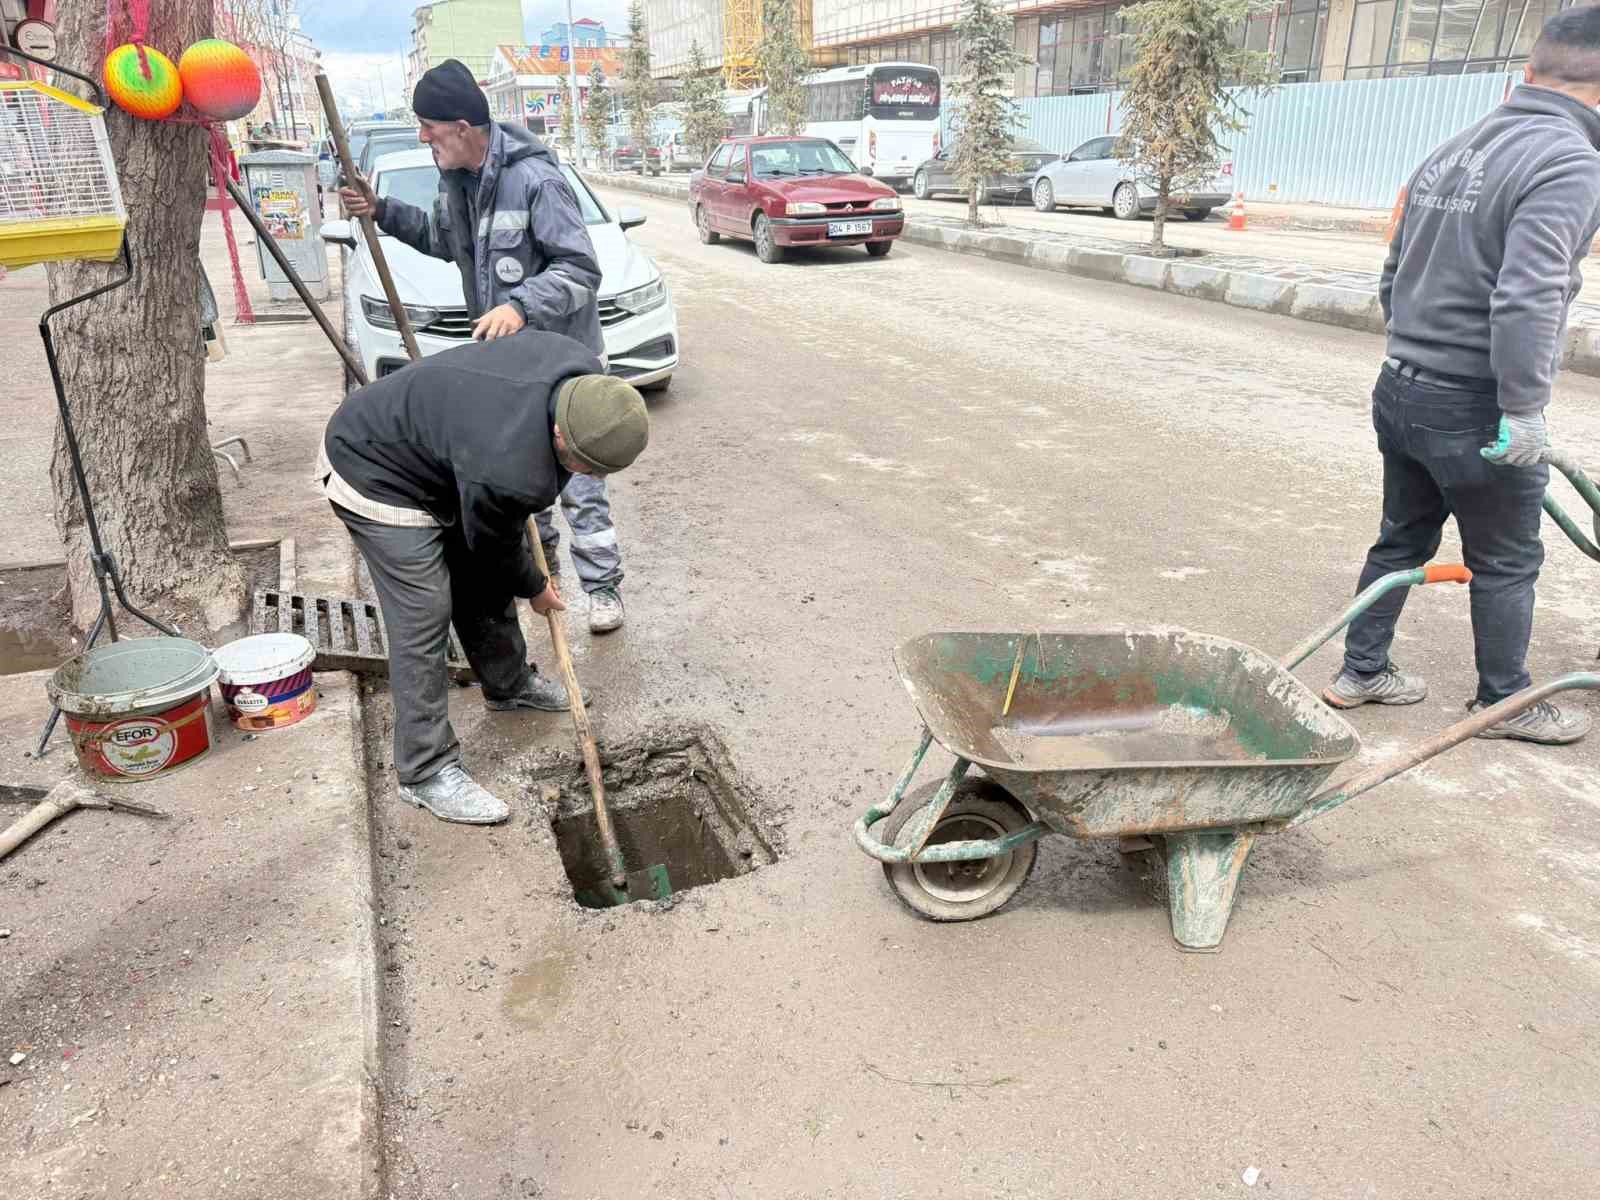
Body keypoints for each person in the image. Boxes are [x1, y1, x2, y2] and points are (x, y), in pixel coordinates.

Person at [1324, 7, 1600, 745]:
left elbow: (1394, 267)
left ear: (1530, 72)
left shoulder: (1453, 147)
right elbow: (1529, 295)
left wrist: (1417, 351)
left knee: (1401, 538)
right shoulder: (1569, 160)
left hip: (1402, 384)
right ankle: (1503, 704)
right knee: (1508, 560)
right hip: (1473, 404)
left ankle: (1361, 670)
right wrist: (1525, 409)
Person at [338, 58, 631, 636]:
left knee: (581, 487)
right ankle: (542, 583)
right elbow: (443, 241)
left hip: (563, 369)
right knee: (524, 489)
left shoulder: (536, 180)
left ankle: (602, 587)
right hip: (509, 374)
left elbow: (580, 269)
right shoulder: (459, 183)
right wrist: (382, 211)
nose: (422, 137)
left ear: (462, 127)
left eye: (427, 125)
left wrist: (521, 304)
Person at [317, 332, 649, 825]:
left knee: (479, 576)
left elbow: (488, 542)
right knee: (424, 610)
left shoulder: (579, 368)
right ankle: (425, 770)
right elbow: (496, 542)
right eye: (587, 468)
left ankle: (508, 685)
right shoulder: (512, 466)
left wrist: (526, 578)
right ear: (560, 435)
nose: (593, 480)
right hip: (374, 469)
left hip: (447, 457)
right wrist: (536, 586)